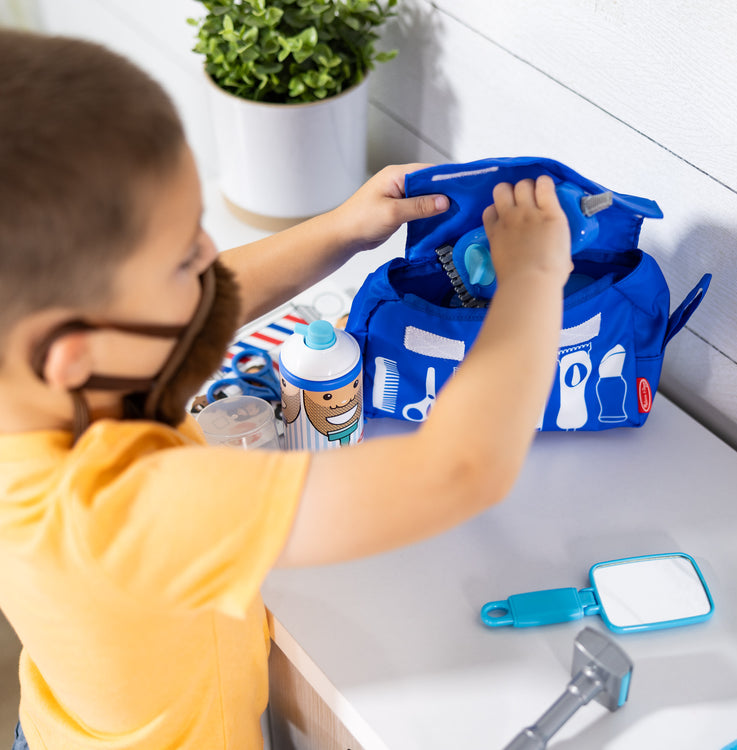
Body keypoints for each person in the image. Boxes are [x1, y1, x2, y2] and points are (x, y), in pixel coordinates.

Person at [0, 28, 571, 750]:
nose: (211, 254)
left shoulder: (36, 395)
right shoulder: (118, 509)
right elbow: (458, 469)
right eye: (184, 257)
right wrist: (533, 277)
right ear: (72, 355)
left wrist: (341, 230)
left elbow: (203, 306)